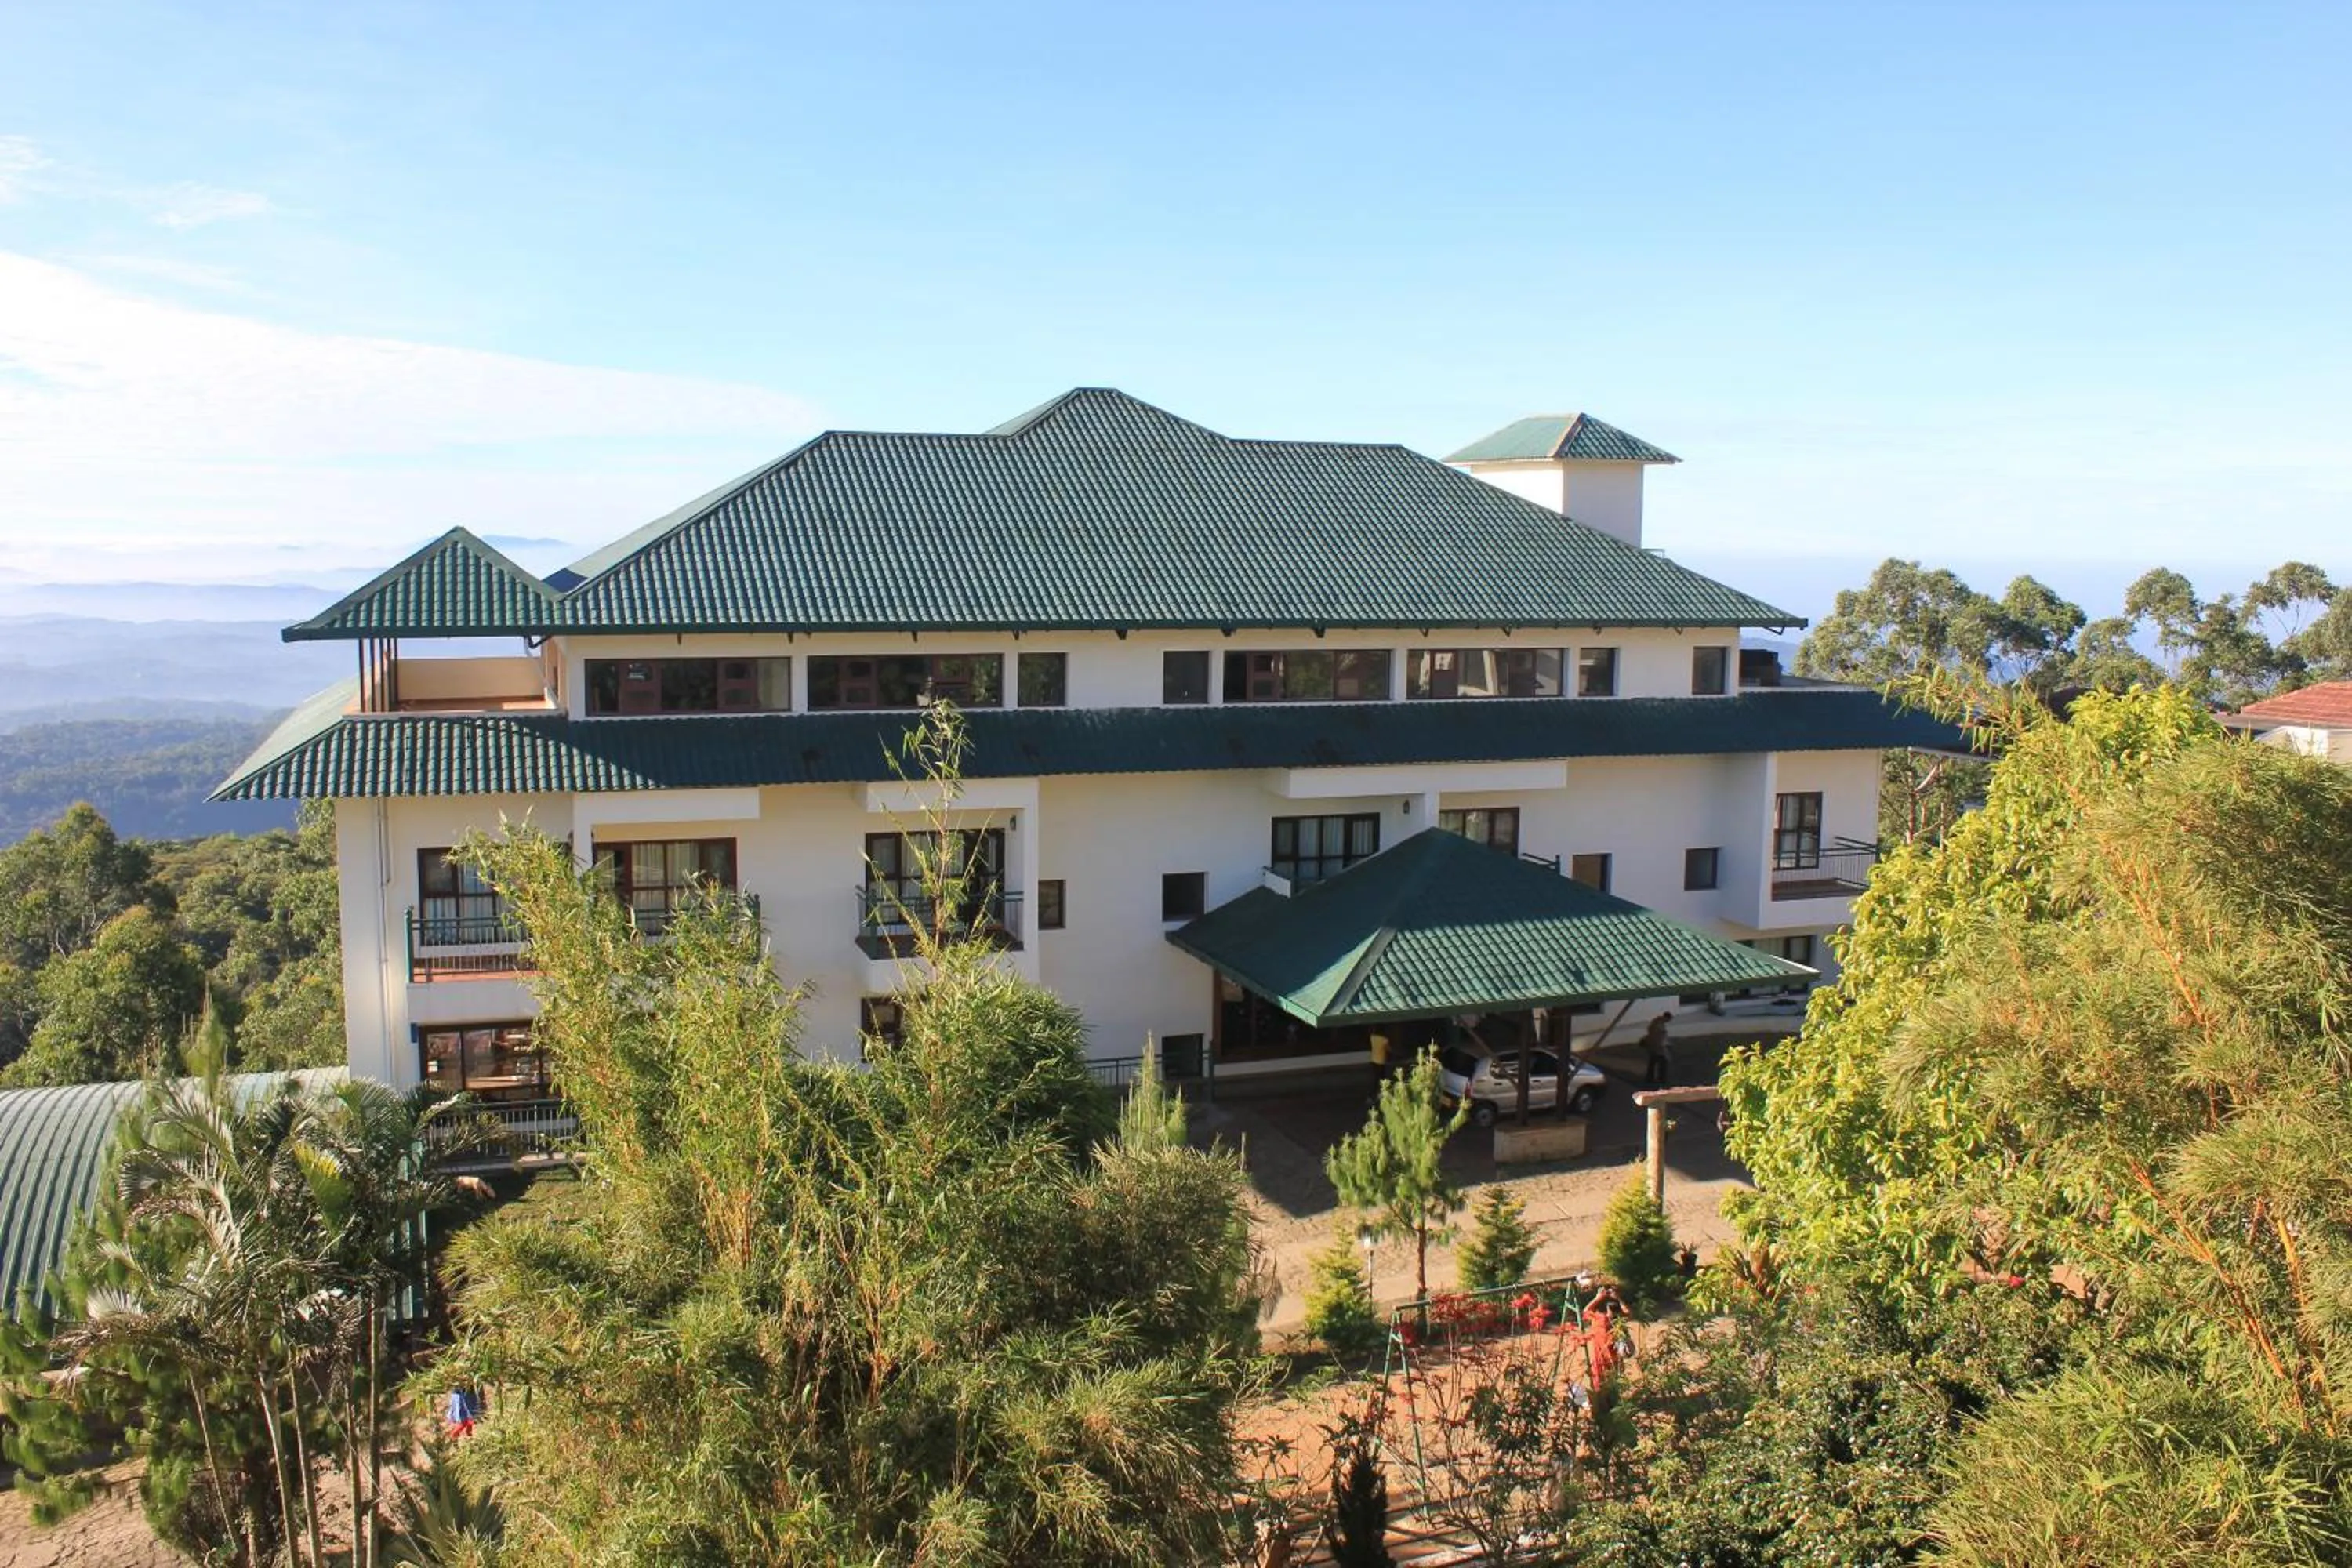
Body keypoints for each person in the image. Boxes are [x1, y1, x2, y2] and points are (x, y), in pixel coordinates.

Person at [1641, 1011, 1675, 1087]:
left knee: (1653, 1062)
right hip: (1658, 1047)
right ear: (1666, 1018)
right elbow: (1660, 1038)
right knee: (1662, 1063)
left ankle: (1650, 1078)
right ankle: (1661, 1079)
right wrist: (1665, 1045)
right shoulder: (1659, 1025)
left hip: (1652, 1046)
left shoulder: (1656, 1022)